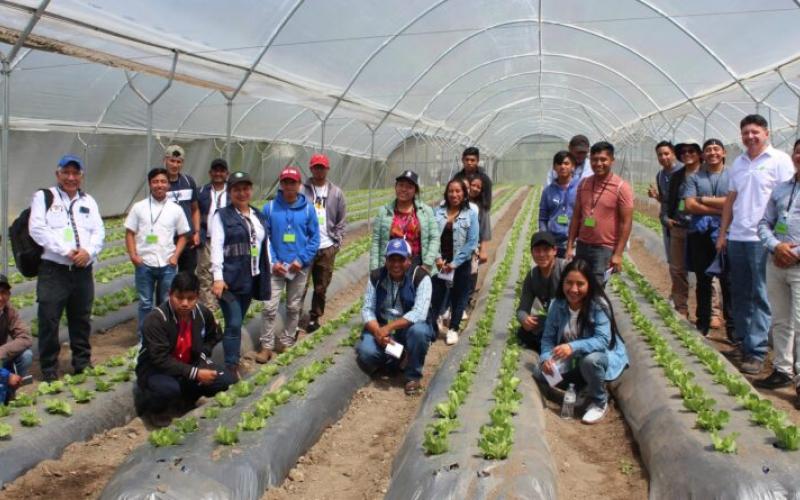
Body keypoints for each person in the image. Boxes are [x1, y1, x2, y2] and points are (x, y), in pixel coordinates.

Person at [717, 114, 794, 375]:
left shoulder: (780, 160)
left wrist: (780, 240)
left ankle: (758, 351)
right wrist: (723, 233)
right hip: (738, 237)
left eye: (755, 132)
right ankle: (743, 343)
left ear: (766, 133)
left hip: (762, 240)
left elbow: (787, 200)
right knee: (739, 293)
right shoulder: (738, 163)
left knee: (761, 295)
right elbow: (730, 200)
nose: (750, 137)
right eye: (745, 133)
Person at [29, 154, 105, 381]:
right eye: (66, 173)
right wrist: (66, 251)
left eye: (75, 173)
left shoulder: (88, 201)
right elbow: (37, 229)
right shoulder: (45, 197)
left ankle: (82, 362)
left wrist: (88, 252)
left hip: (82, 271)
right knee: (49, 319)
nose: (71, 177)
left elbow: (99, 231)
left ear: (81, 176)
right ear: (58, 174)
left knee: (81, 318)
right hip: (54, 270)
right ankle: (49, 368)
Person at [533, 258, 628, 424]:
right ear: (562, 283)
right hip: (573, 359)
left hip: (598, 357)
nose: (574, 289)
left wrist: (572, 346)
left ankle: (599, 400)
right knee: (541, 373)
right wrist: (546, 359)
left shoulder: (598, 305)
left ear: (589, 284)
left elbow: (602, 340)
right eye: (569, 283)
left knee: (589, 362)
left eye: (580, 284)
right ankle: (579, 389)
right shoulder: (557, 305)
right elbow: (547, 338)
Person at [135, 272, 235, 427]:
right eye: (179, 297)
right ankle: (156, 410)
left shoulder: (202, 313)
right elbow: (160, 360)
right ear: (170, 294)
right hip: (156, 370)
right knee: (167, 389)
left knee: (226, 380)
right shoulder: (156, 320)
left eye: (190, 298)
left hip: (189, 363)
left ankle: (187, 399)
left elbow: (215, 334)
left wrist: (203, 353)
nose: (185, 303)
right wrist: (195, 373)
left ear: (198, 296)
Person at [210, 171, 271, 377]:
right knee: (234, 323)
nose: (242, 193)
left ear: (251, 190)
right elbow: (216, 246)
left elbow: (263, 246)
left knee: (237, 321)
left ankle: (232, 361)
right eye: (237, 189)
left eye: (246, 189)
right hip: (229, 279)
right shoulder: (222, 216)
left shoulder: (258, 215)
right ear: (230, 192)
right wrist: (217, 277)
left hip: (250, 278)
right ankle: (230, 368)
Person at [356, 238, 435, 395]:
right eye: (392, 259)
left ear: (409, 260)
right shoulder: (376, 277)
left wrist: (388, 328)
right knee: (366, 352)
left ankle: (412, 376)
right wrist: (378, 332)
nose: (396, 264)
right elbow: (367, 309)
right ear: (386, 260)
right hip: (382, 329)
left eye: (401, 259)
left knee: (419, 332)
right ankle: (401, 356)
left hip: (407, 329)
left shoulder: (421, 277)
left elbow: (419, 312)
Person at [258, 167, 319, 360]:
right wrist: (273, 261)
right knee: (269, 307)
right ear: (281, 184)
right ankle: (266, 346)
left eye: (293, 182)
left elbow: (314, 239)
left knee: (293, 307)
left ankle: (286, 340)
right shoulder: (269, 208)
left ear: (299, 185)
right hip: (276, 268)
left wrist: (300, 260)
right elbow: (264, 238)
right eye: (285, 182)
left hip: (298, 269)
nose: (289, 186)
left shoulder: (308, 209)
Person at [756, 138, 800, 401]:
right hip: (776, 262)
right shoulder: (782, 190)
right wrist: (776, 246)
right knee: (781, 320)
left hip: (796, 265)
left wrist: (792, 253)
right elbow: (764, 223)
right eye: (798, 152)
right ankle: (782, 370)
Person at [125, 167, 191, 338]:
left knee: (167, 303)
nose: (159, 185)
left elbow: (184, 235)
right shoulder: (139, 207)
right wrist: (133, 256)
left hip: (167, 264)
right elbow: (130, 232)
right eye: (155, 182)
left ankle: (164, 336)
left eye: (163, 181)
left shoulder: (175, 209)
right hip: (144, 263)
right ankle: (144, 338)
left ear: (168, 185)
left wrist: (175, 256)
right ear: (150, 184)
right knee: (145, 304)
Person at [565, 142, 633, 285]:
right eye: (595, 160)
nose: (599, 163)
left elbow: (626, 222)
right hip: (582, 245)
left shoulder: (621, 187)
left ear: (612, 161)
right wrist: (570, 245)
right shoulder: (584, 184)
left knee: (596, 289)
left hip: (604, 248)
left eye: (603, 159)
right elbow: (576, 217)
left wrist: (618, 254)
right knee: (580, 285)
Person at [684, 139, 733, 338]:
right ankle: (702, 322)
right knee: (703, 280)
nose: (712, 152)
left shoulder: (732, 176)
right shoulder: (694, 177)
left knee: (727, 281)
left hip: (726, 234)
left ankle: (733, 328)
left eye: (716, 149)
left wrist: (703, 200)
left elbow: (734, 201)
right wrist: (723, 207)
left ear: (723, 153)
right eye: (708, 150)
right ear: (703, 155)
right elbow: (689, 205)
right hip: (700, 234)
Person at [429, 178, 479, 346]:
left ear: (464, 194)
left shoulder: (470, 214)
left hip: (461, 263)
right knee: (436, 295)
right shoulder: (437, 212)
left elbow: (472, 242)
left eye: (458, 191)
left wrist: (455, 263)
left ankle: (453, 328)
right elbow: (432, 237)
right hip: (440, 264)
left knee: (459, 296)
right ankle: (433, 327)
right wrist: (437, 258)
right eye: (451, 191)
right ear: (446, 193)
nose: (454, 194)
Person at [301, 153, 347, 333]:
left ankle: (314, 317)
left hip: (327, 246)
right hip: (306, 247)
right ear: (311, 169)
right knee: (301, 286)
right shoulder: (302, 190)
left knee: (321, 286)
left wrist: (336, 243)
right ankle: (296, 319)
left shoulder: (336, 193)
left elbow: (342, 220)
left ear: (327, 169)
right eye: (316, 167)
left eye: (322, 167)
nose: (319, 170)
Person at [370, 170, 439, 272]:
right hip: (391, 263)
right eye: (401, 185)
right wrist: (375, 268)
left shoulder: (426, 211)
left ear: (415, 190)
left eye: (409, 187)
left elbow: (434, 238)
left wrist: (427, 264)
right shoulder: (384, 212)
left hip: (417, 263)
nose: (404, 189)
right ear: (395, 187)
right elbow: (376, 241)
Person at [665, 142, 702, 318]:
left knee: (706, 270)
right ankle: (681, 306)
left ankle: (712, 311)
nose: (687, 154)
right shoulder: (677, 176)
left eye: (691, 151)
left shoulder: (705, 173)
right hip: (678, 227)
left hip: (700, 228)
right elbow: (669, 199)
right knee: (677, 269)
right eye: (683, 151)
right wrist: (667, 218)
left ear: (699, 153)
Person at [516, 232, 566, 352]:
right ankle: (549, 348)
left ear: (555, 251)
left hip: (570, 320)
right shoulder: (532, 276)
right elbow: (522, 308)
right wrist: (523, 318)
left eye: (546, 249)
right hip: (553, 320)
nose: (542, 254)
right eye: (537, 250)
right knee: (522, 332)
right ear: (532, 253)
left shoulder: (565, 269)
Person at [196, 158, 229, 311]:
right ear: (210, 173)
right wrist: (196, 232)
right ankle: (209, 308)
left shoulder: (232, 192)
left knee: (225, 272)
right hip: (207, 239)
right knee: (204, 273)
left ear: (227, 174)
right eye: (215, 170)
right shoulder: (202, 191)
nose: (218, 173)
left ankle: (224, 305)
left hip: (227, 241)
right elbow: (194, 212)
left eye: (221, 171)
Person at [163, 145, 201, 273]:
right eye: (172, 161)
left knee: (187, 275)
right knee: (167, 276)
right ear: (165, 161)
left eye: (178, 162)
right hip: (167, 239)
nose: (175, 165)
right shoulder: (160, 183)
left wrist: (196, 232)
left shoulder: (188, 181)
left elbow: (195, 209)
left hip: (187, 239)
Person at [539, 151, 579, 257]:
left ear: (573, 166)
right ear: (554, 167)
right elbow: (543, 218)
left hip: (576, 244)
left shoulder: (581, 188)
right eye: (559, 163)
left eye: (566, 163)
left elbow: (587, 215)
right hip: (554, 243)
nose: (562, 166)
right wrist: (545, 238)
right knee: (555, 272)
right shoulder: (548, 191)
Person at [0, 274, 33, 403]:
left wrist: (2, 350)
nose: (1, 298)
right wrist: (7, 376)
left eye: (4, 293)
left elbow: (25, 338)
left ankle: (9, 393)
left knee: (26, 355)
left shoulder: (9, 311)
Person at [647, 141, 682, 260]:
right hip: (667, 222)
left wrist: (680, 216)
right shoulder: (660, 175)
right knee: (672, 259)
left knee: (681, 261)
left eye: (666, 153)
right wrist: (656, 196)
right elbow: (665, 200)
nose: (663, 157)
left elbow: (684, 199)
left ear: (673, 154)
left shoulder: (683, 172)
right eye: (660, 155)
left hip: (681, 223)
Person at [466, 175, 490, 310]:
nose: (474, 189)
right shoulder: (458, 201)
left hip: (474, 246)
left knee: (472, 272)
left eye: (478, 187)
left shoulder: (482, 208)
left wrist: (483, 250)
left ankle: (467, 299)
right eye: (472, 185)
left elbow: (485, 230)